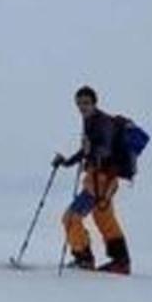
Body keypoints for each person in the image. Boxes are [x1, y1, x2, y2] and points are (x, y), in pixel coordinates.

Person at [54, 85, 132, 274]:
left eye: (86, 103)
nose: (82, 107)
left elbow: (103, 149)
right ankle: (121, 262)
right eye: (79, 103)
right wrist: (67, 162)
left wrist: (91, 152)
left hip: (101, 180)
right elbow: (87, 151)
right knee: (104, 219)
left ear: (94, 103)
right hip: (103, 179)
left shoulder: (101, 122)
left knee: (71, 217)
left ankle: (84, 259)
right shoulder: (91, 120)